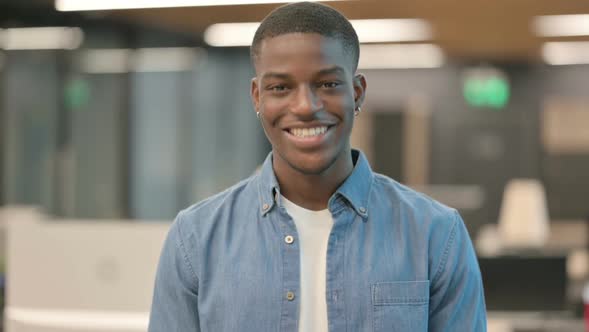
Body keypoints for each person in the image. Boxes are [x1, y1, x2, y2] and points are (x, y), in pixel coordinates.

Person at [148, 2, 487, 331]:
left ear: (357, 93)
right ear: (257, 97)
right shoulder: (194, 238)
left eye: (327, 84)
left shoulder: (436, 235)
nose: (305, 106)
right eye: (280, 87)